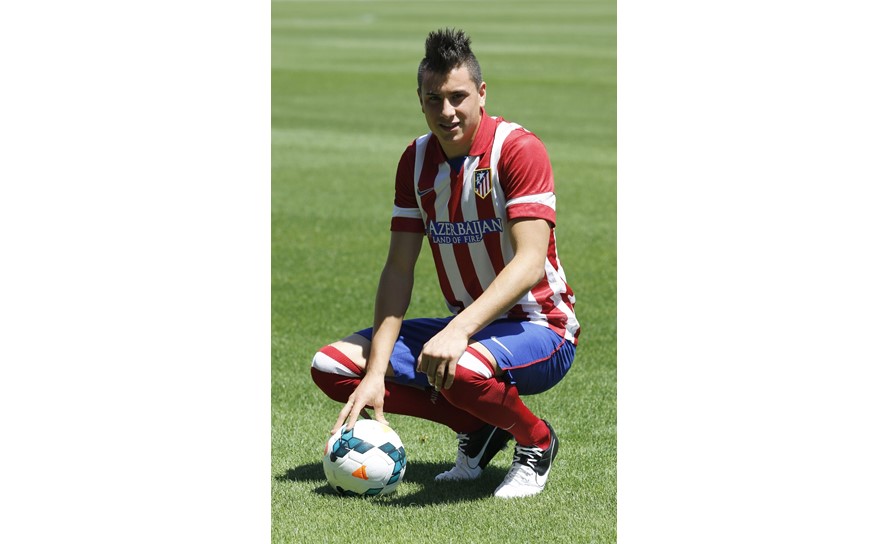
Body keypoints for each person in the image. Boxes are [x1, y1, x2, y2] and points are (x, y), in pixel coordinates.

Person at [310, 28, 580, 499]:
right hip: (471, 330)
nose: (447, 111)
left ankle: (536, 441)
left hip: (542, 326)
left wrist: (458, 330)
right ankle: (479, 428)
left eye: (458, 97)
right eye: (434, 99)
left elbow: (531, 262)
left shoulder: (516, 149)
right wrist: (375, 371)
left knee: (461, 364)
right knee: (332, 367)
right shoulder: (415, 162)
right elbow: (398, 269)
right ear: (420, 100)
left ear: (481, 93)